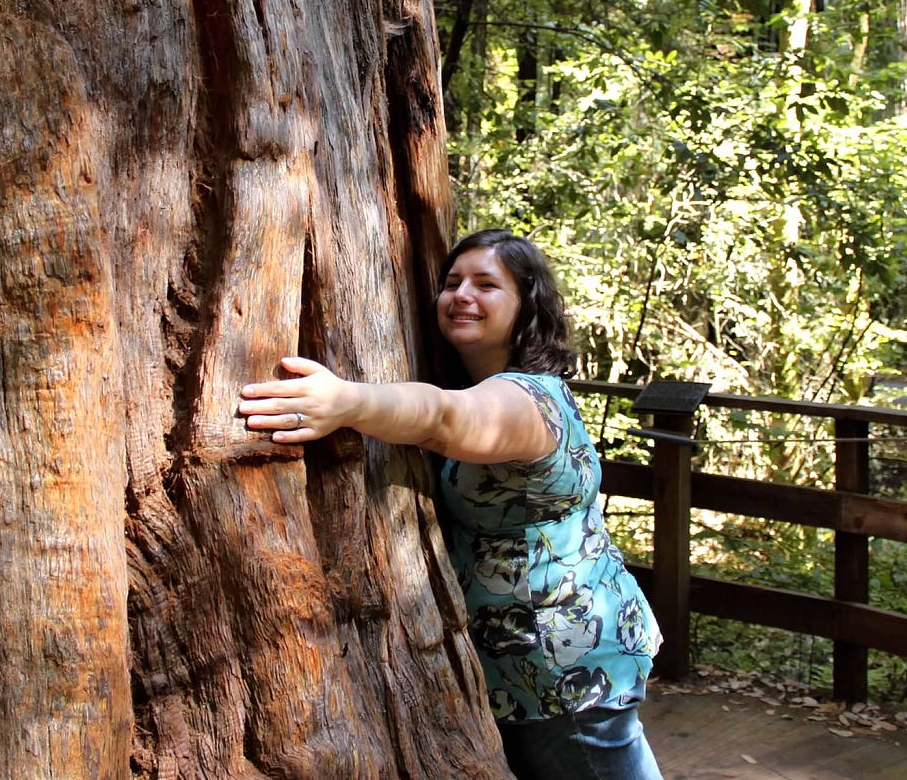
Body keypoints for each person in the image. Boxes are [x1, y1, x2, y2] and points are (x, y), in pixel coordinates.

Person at [238, 228, 663, 780]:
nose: (462, 294)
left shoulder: (527, 399)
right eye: (453, 282)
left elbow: (445, 418)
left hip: (564, 671)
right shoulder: (494, 384)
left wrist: (345, 402)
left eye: (487, 284)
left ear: (526, 306)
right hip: (533, 663)